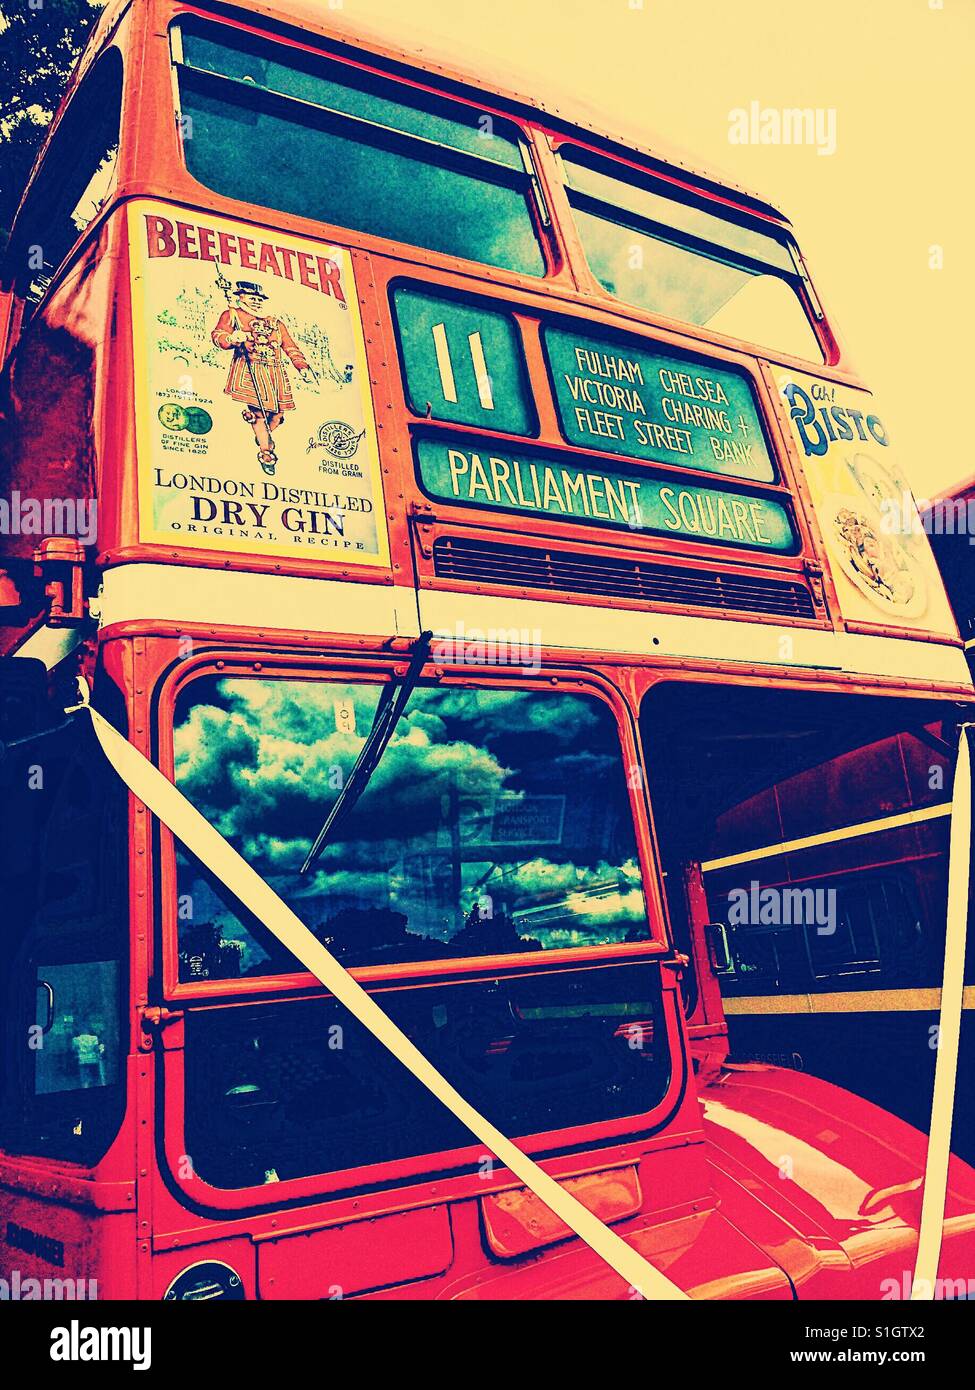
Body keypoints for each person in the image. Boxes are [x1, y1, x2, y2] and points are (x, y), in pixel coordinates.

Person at [211, 281, 316, 474]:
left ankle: (262, 432)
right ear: (241, 297)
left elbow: (290, 346)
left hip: (276, 373)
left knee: (277, 415)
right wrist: (232, 339)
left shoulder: (275, 323)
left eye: (260, 299)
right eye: (252, 298)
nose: (257, 302)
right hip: (251, 369)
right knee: (260, 414)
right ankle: (266, 452)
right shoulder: (232, 315)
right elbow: (218, 335)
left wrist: (302, 366)